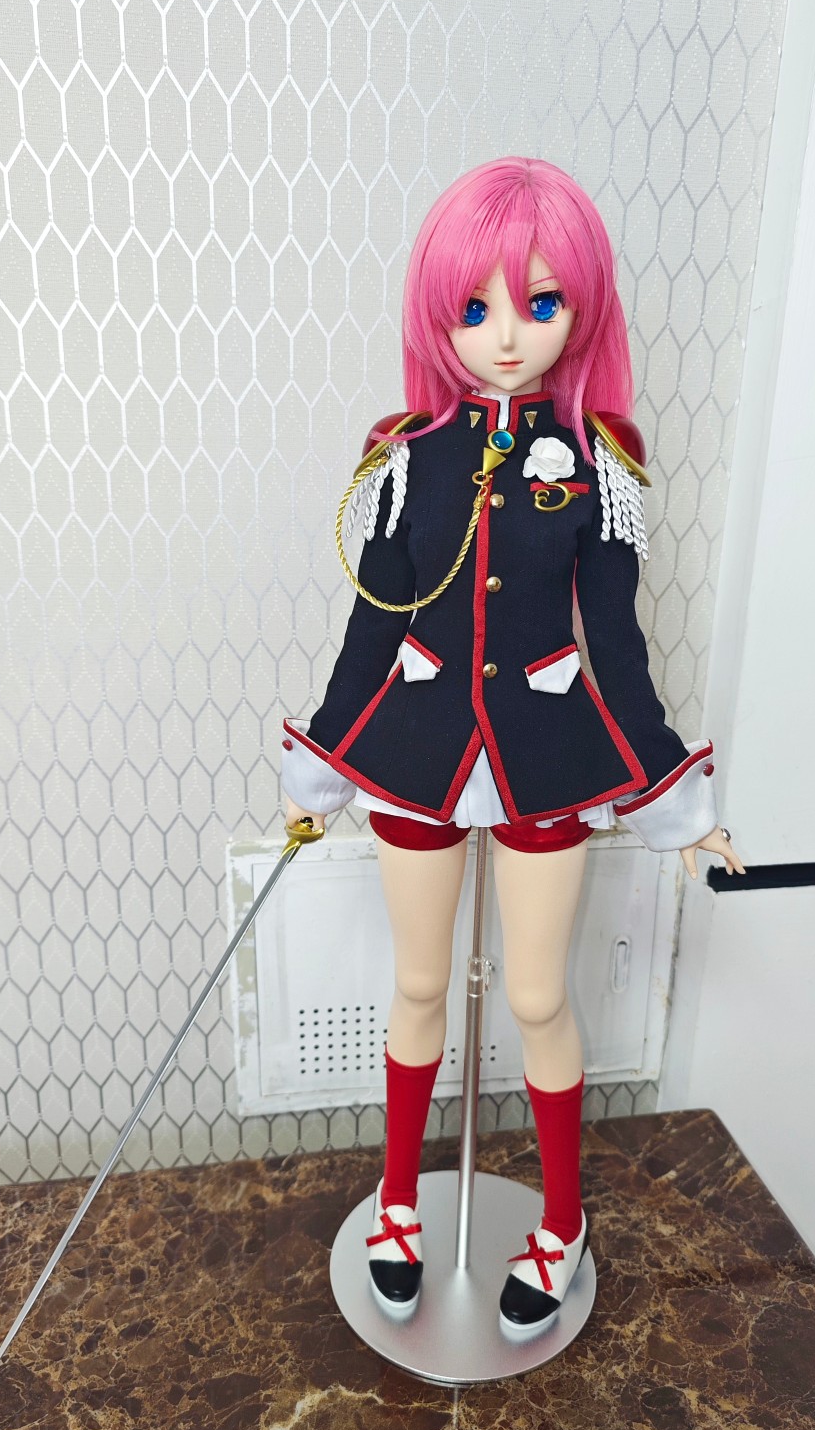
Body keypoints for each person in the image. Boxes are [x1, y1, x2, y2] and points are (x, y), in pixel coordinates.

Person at [280, 157, 745, 1336]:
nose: (505, 334)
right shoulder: (407, 454)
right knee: (419, 981)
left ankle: (564, 1215)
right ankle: (397, 1199)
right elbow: (372, 624)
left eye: (540, 303)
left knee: (539, 991)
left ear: (580, 310)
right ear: (437, 312)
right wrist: (325, 765)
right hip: (419, 745)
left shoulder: (597, 461)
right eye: (475, 305)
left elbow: (619, 646)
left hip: (544, 749)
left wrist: (678, 806)